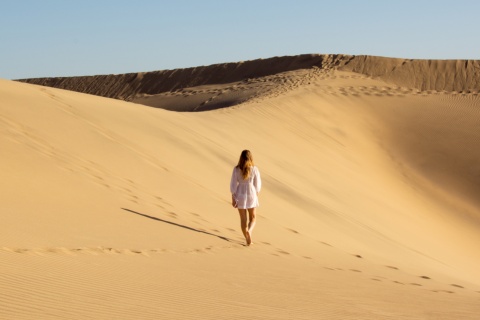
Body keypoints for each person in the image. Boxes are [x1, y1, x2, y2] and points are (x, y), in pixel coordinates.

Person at [230, 150, 261, 246]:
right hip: (251, 193)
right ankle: (250, 232)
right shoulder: (254, 169)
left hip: (240, 194)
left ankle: (247, 237)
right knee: (253, 218)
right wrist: (256, 194)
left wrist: (233, 197)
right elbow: (257, 185)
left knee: (243, 219)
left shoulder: (236, 169)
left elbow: (233, 185)